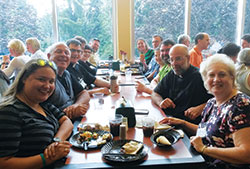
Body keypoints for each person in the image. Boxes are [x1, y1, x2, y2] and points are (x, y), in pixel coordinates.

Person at [160, 54, 250, 169]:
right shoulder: (212, 103)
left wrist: (204, 149)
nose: (216, 79)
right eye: (211, 75)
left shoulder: (241, 105)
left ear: (232, 77)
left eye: (222, 74)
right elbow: (208, 133)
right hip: (201, 160)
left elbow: (246, 154)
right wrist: (183, 123)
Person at [0, 59, 73, 169]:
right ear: (24, 78)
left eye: (51, 81)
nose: (47, 86)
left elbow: (67, 121)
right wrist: (49, 157)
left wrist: (56, 142)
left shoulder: (42, 104)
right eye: (41, 79)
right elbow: (4, 163)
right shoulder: (9, 112)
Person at [151, 44, 212, 124]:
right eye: (171, 60)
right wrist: (161, 102)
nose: (174, 63)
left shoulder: (201, 76)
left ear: (188, 58)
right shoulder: (172, 74)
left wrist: (200, 108)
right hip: (170, 120)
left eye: (178, 59)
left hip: (189, 126)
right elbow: (155, 93)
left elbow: (218, 101)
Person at [46, 42, 90, 119]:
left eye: (66, 53)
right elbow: (43, 111)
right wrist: (66, 113)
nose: (63, 55)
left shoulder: (66, 74)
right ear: (49, 56)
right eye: (59, 52)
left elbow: (84, 93)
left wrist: (75, 106)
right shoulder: (46, 78)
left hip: (73, 121)